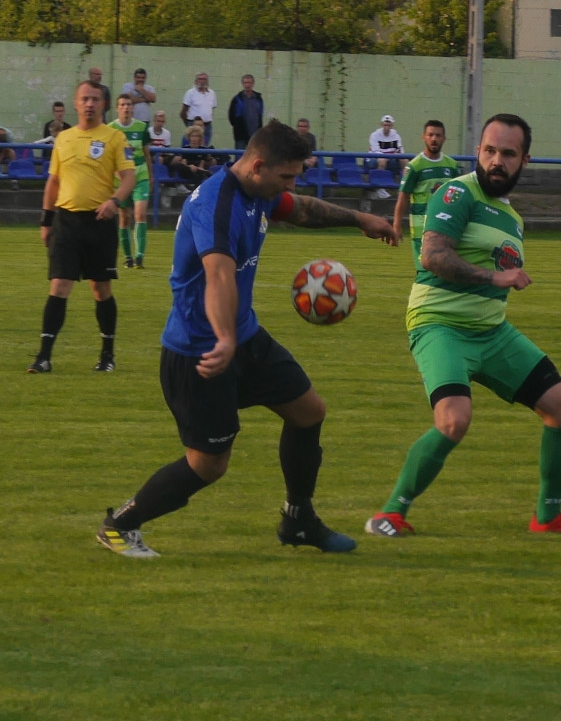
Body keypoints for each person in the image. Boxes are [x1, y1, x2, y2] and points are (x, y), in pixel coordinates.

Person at [95, 119, 399, 558]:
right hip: (200, 352)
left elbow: (298, 209)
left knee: (308, 411)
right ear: (258, 166)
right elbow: (218, 275)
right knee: (209, 464)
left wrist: (359, 219)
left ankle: (298, 520)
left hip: (244, 337)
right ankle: (119, 525)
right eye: (287, 176)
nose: (291, 184)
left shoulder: (259, 192)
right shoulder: (216, 206)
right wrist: (223, 339)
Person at [365, 113, 561, 539]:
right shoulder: (456, 193)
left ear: (525, 159)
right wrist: (493, 276)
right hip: (439, 324)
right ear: (478, 152)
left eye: (508, 153)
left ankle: (548, 518)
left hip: (491, 331)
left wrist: (497, 281)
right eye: (489, 151)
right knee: (454, 420)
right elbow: (432, 257)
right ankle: (390, 515)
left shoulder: (513, 219)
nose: (496, 161)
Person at [27, 80, 136, 374]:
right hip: (66, 222)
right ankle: (43, 356)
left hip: (99, 224)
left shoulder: (114, 138)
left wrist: (114, 201)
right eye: (84, 98)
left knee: (100, 290)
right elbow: (54, 181)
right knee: (59, 286)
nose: (89, 104)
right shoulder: (63, 139)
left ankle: (107, 355)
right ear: (76, 103)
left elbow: (129, 178)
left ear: (104, 105)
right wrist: (46, 221)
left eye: (95, 99)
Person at [392, 119, 460, 248]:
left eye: (438, 135)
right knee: (425, 266)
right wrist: (396, 226)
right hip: (421, 226)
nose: (434, 139)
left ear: (444, 138)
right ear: (424, 137)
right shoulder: (415, 166)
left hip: (445, 226)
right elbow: (403, 197)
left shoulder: (452, 165)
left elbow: (458, 197)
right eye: (430, 135)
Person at [110, 94, 153, 269]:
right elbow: (109, 157)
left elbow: (147, 153)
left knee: (140, 214)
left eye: (128, 104)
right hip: (121, 178)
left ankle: (140, 257)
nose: (126, 108)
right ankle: (128, 257)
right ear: (117, 108)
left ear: (132, 108)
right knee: (124, 217)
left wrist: (151, 175)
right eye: (122, 105)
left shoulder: (141, 127)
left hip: (140, 174)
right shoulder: (111, 129)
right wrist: (117, 173)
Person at [368, 114, 405, 198]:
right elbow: (376, 151)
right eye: (385, 124)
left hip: (391, 159)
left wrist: (399, 154)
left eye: (389, 124)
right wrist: (388, 156)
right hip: (373, 159)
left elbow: (400, 149)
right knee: (382, 160)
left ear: (392, 125)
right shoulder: (374, 135)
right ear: (382, 124)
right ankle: (380, 187)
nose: (387, 126)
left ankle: (403, 186)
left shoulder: (396, 136)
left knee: (404, 160)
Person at [228, 74, 264, 150]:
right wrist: (238, 126)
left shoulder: (258, 99)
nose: (247, 85)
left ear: (253, 84)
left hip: (255, 135)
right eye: (245, 83)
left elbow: (260, 115)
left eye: (249, 83)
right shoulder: (237, 99)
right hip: (241, 135)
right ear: (243, 84)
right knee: (240, 158)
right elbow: (231, 117)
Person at [180, 72, 217, 146]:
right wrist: (189, 125)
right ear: (196, 81)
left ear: (207, 81)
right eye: (200, 79)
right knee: (191, 146)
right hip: (193, 124)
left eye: (204, 79)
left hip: (207, 125)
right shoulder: (190, 93)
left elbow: (212, 109)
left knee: (204, 147)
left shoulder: (212, 93)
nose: (202, 81)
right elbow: (183, 112)